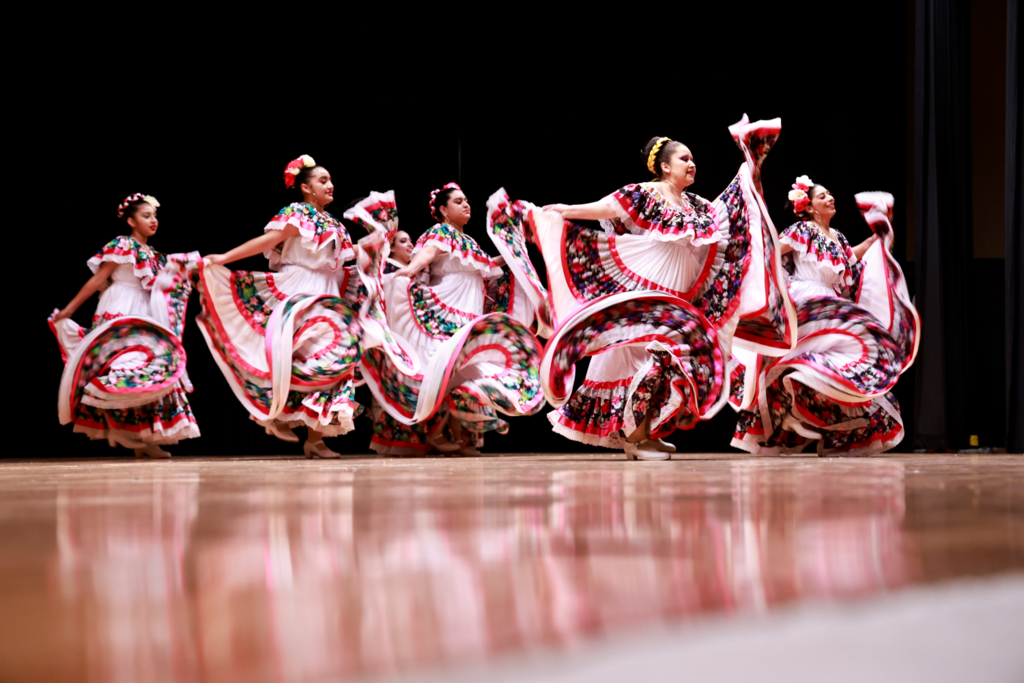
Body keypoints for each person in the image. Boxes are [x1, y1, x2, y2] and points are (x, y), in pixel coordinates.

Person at [532, 116, 797, 460]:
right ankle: (635, 438)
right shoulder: (645, 193)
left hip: (682, 301)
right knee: (657, 361)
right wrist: (565, 210)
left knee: (674, 365)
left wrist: (751, 165)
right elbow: (606, 207)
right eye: (684, 159)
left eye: (693, 159)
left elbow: (732, 210)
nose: (692, 164)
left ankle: (643, 434)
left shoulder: (697, 206)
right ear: (664, 166)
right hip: (648, 298)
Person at [730, 181, 919, 456]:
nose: (830, 197)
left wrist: (877, 236)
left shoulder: (838, 237)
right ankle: (794, 408)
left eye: (829, 193)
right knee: (794, 365)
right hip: (807, 305)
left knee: (838, 371)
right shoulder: (801, 230)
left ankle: (821, 422)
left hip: (833, 308)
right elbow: (770, 252)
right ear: (808, 206)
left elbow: (850, 258)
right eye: (822, 195)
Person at [195, 155, 365, 459]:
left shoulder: (335, 224)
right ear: (305, 187)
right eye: (322, 180)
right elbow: (266, 242)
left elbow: (341, 264)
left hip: (327, 294)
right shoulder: (298, 213)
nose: (330, 185)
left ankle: (315, 439)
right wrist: (223, 258)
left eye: (330, 180)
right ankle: (270, 413)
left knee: (334, 362)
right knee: (292, 357)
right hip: (298, 290)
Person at [359, 183, 545, 456]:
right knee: (443, 371)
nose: (466, 205)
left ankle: (452, 435)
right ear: (444, 210)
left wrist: (514, 252)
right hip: (445, 310)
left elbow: (490, 266)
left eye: (467, 200)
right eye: (458, 202)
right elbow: (428, 253)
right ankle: (437, 434)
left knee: (458, 374)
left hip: (468, 313)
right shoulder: (441, 232)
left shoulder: (470, 242)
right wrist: (410, 269)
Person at [50, 193, 200, 458]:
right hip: (120, 306)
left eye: (154, 216)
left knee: (150, 368)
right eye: (146, 216)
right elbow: (99, 280)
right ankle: (116, 426)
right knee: (123, 365)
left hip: (145, 311)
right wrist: (70, 309)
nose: (153, 221)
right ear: (131, 221)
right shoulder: (123, 244)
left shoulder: (154, 255)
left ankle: (143, 438)